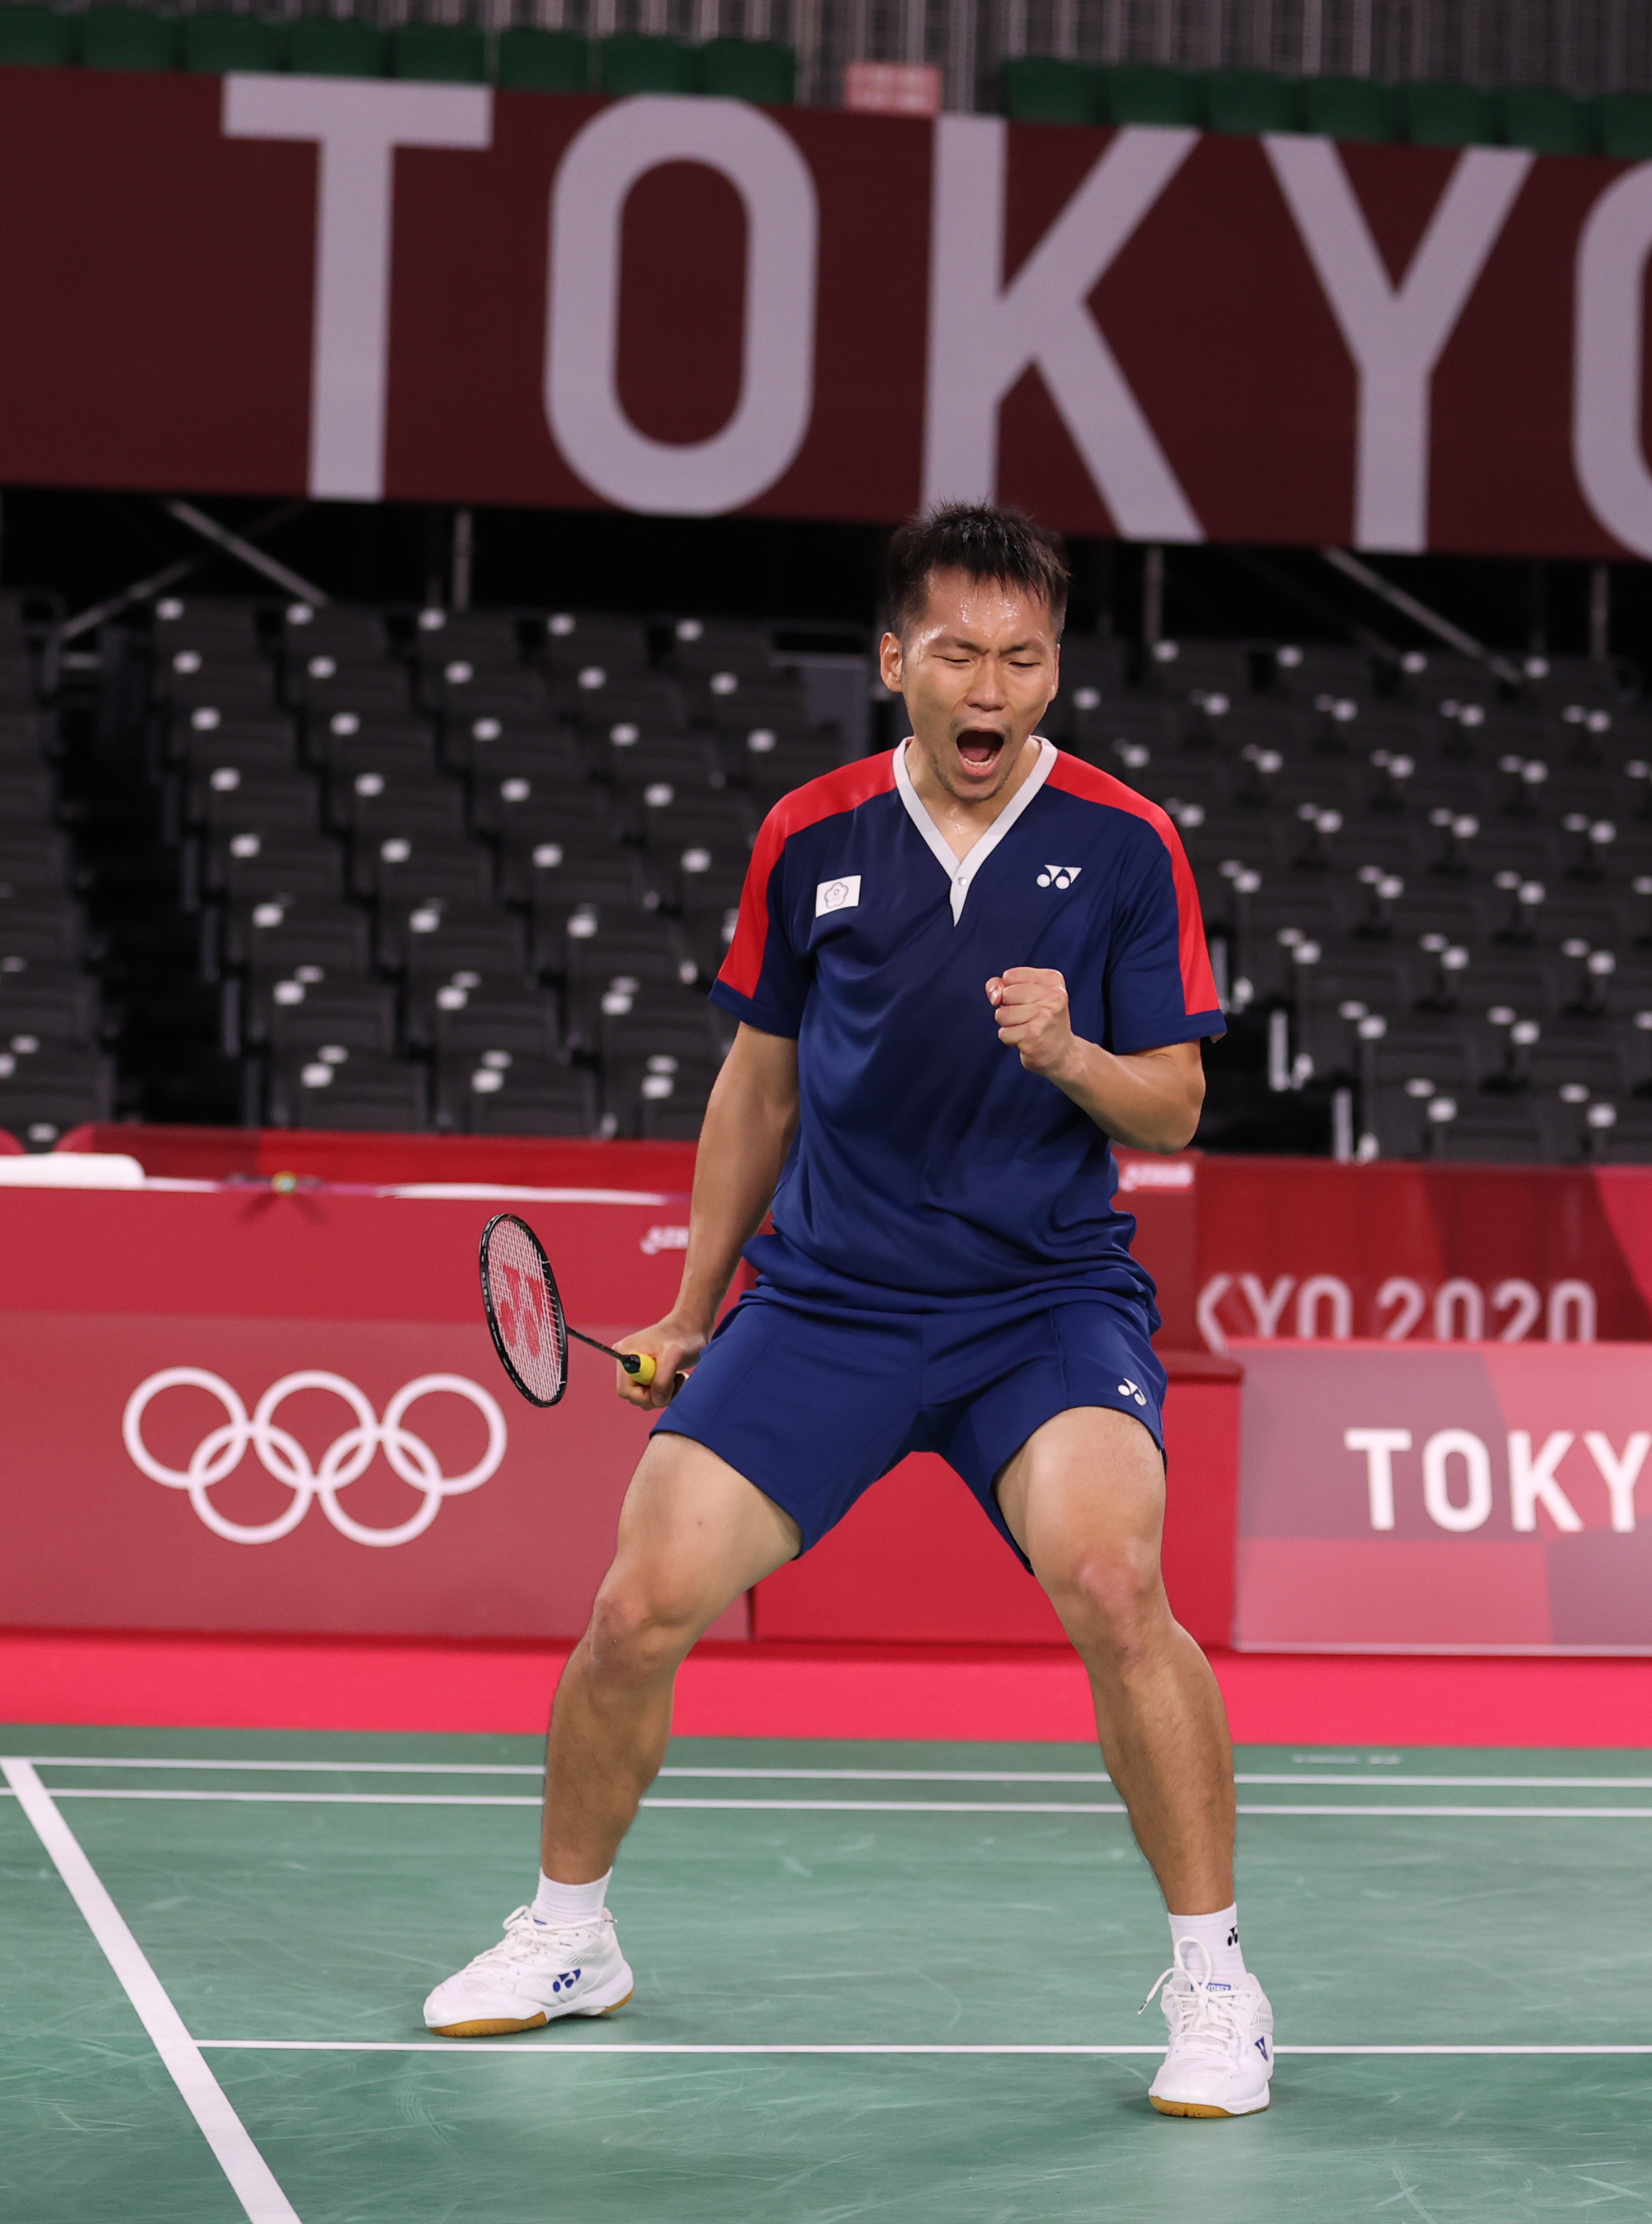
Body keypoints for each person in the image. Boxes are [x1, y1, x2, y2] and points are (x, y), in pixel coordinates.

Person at [421, 505, 1274, 2118]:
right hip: (828, 1303)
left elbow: (1173, 1108)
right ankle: (570, 1934)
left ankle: (1217, 1979)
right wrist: (690, 1305)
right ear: (896, 662)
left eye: (1025, 658)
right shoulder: (809, 835)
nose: (992, 684)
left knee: (1113, 1576)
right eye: (959, 650)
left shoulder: (1127, 841)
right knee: (636, 1609)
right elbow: (757, 1086)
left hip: (1043, 1303)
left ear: (1051, 676)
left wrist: (1075, 1054)